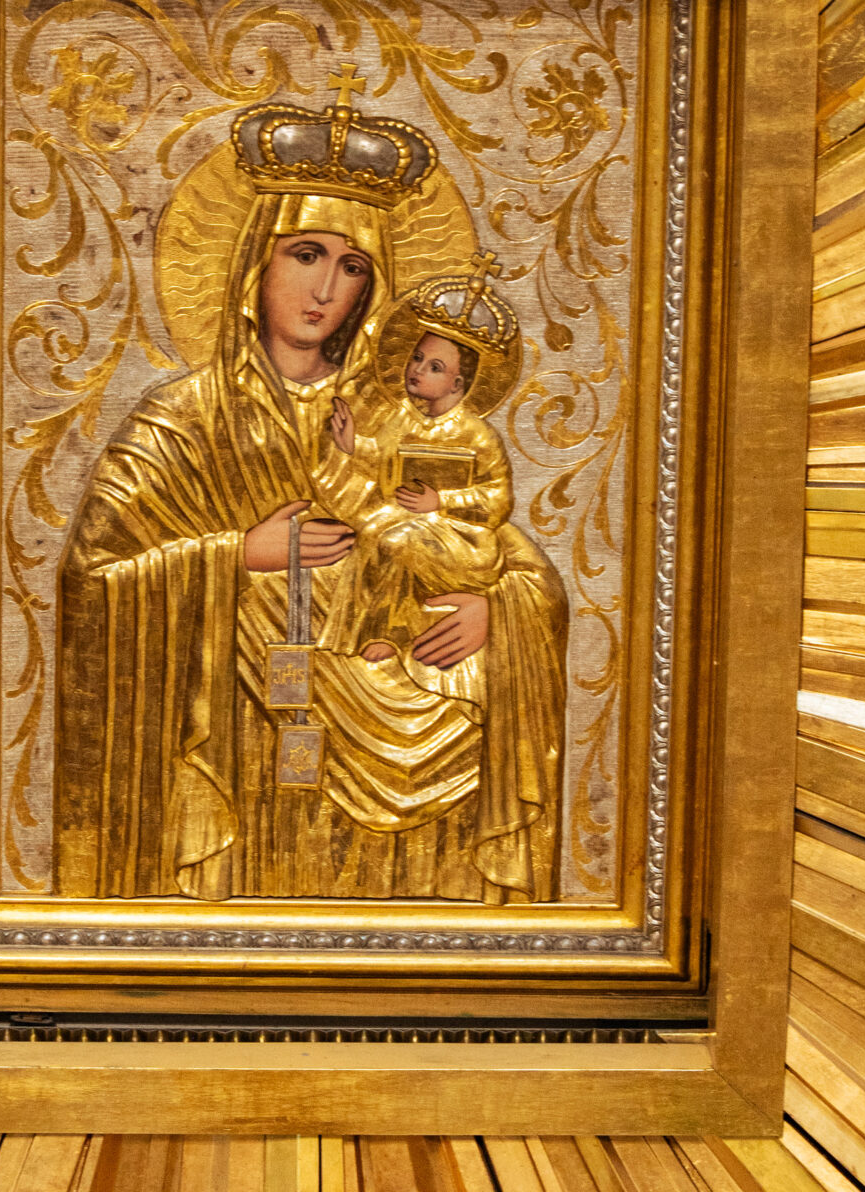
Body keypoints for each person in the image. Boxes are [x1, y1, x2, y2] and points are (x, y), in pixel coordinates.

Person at [52, 89, 566, 903]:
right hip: (239, 746)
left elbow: (511, 556)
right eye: (305, 254)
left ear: (372, 289)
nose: (325, 287)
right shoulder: (183, 419)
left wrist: (495, 612)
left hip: (400, 717)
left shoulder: (398, 418)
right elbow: (92, 582)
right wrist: (236, 556)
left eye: (353, 267)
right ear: (255, 261)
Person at [318, 293, 517, 704]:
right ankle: (349, 634)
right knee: (370, 531)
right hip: (409, 519)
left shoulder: (477, 435)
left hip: (465, 540)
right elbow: (386, 460)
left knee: (398, 542)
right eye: (417, 358)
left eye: (434, 367)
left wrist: (441, 501)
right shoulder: (403, 420)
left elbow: (498, 499)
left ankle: (390, 635)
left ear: (457, 384)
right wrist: (354, 445)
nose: (417, 370)